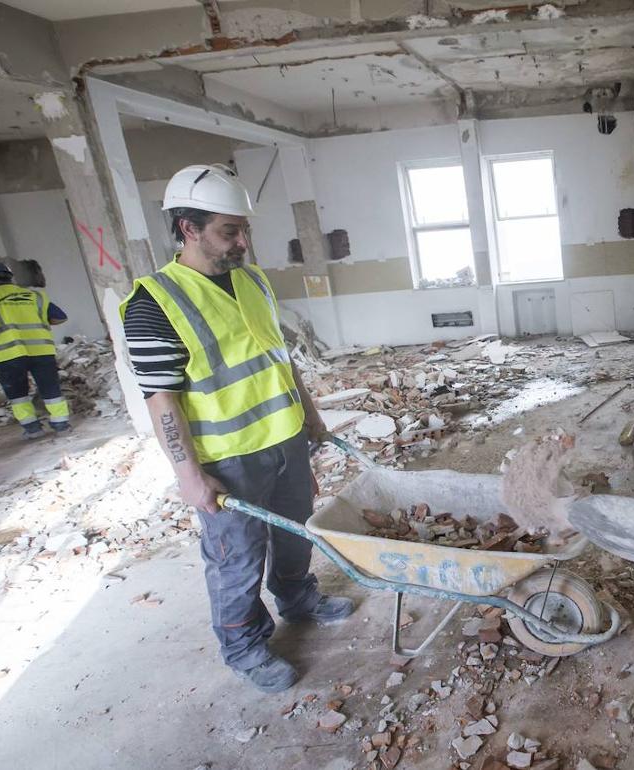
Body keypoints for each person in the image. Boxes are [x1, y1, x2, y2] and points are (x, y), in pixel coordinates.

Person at [119, 164, 354, 694]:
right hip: (228, 460)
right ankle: (243, 646)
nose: (243, 241)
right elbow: (162, 400)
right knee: (236, 558)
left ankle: (298, 598)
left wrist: (312, 421)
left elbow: (279, 360)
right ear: (188, 228)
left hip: (287, 441)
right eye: (230, 230)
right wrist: (189, 475)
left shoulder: (252, 280)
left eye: (244, 228)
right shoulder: (154, 302)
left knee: (297, 530)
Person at [0, 261, 71, 438]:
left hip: (9, 354)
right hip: (42, 351)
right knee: (50, 387)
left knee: (17, 393)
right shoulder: (34, 295)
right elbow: (59, 318)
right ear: (10, 278)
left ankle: (33, 429)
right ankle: (61, 424)